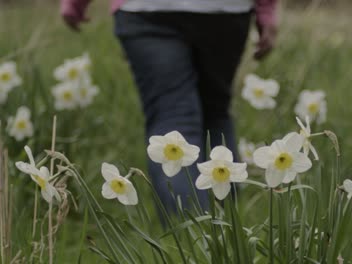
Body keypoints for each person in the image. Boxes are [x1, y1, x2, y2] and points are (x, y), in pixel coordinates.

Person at [60, 0, 278, 211]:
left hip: (146, 10)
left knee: (172, 116)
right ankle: (229, 234)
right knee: (215, 112)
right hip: (224, 10)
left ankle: (189, 238)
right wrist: (266, 10)